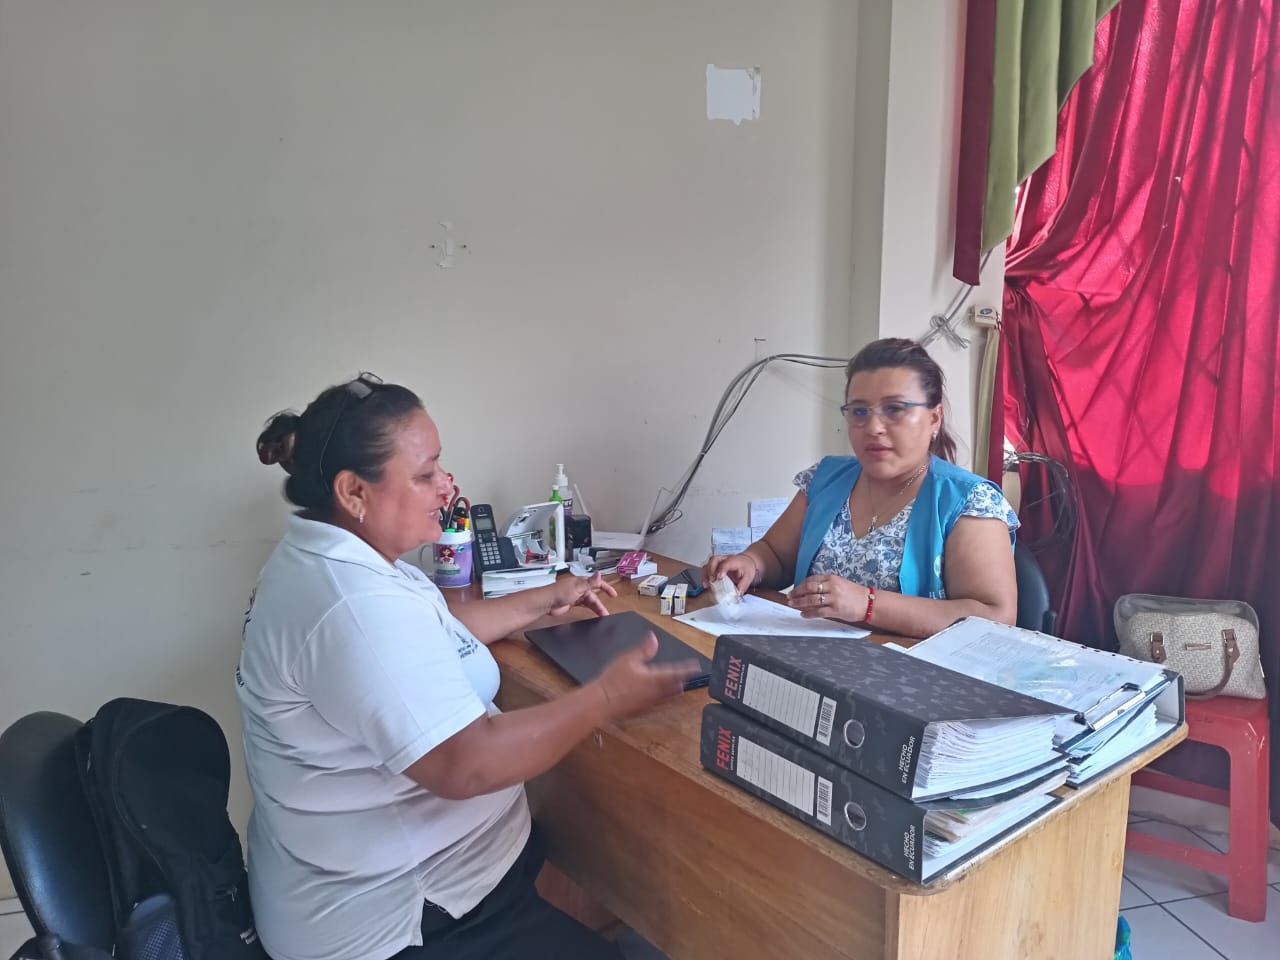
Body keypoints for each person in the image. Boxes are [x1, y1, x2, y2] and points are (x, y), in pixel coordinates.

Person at [238, 374, 696, 960]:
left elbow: (433, 633)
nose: (446, 485)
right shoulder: (351, 603)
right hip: (403, 924)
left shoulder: (337, 558)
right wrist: (605, 698)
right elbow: (467, 763)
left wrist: (548, 596)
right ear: (353, 491)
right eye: (425, 474)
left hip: (425, 887)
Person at [705, 338, 1019, 639]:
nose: (873, 427)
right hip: (805, 658)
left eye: (894, 409)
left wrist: (868, 605)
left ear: (934, 418)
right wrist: (751, 563)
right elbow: (777, 554)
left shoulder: (968, 500)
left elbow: (995, 616)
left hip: (907, 670)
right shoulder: (824, 479)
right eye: (859, 411)